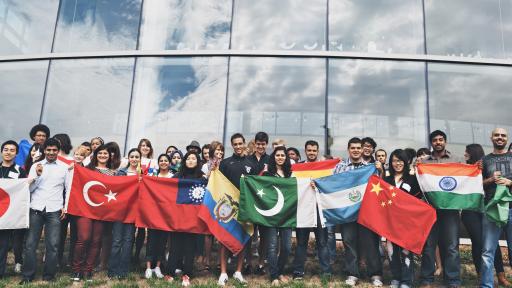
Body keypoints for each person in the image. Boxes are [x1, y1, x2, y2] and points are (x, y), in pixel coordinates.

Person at [332, 137, 383, 287]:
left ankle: (375, 274)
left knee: (371, 243)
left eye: (358, 148)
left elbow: (379, 188)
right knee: (349, 242)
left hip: (366, 212)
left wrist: (381, 171)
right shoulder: (340, 167)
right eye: (352, 148)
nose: (355, 150)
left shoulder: (371, 167)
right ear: (348, 149)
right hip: (347, 213)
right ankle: (352, 273)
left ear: (362, 150)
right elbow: (331, 184)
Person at [21, 138, 68, 284]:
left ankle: (49, 276)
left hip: (54, 210)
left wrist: (65, 206)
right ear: (44, 150)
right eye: (49, 150)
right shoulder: (36, 165)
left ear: (58, 151)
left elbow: (69, 188)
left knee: (53, 245)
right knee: (30, 244)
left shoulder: (64, 168)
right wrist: (37, 176)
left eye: (54, 150)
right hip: (36, 208)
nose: (51, 153)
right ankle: (28, 276)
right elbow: (29, 189)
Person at [460, 143, 509, 286]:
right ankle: (481, 275)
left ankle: (501, 275)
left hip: (487, 208)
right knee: (478, 242)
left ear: (473, 153)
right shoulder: (465, 170)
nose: (464, 155)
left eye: (466, 152)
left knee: (492, 243)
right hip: (470, 211)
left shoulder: (487, 165)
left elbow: (495, 180)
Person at [419, 130, 462, 288]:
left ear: (445, 141)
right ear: (431, 143)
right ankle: (426, 279)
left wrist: (476, 168)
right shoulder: (423, 162)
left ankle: (453, 280)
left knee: (451, 246)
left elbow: (465, 178)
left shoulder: (457, 160)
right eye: (435, 140)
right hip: (429, 209)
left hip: (450, 210)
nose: (438, 142)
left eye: (441, 139)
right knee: (429, 245)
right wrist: (415, 165)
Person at [217, 133, 257, 286]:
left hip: (245, 207)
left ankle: (238, 272)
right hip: (227, 207)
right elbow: (219, 184)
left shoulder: (251, 164)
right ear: (232, 145)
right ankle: (223, 272)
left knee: (243, 239)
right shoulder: (225, 163)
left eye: (240, 143)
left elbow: (254, 186)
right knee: (224, 239)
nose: (238, 146)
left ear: (244, 143)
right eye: (235, 144)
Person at [70, 144, 114, 282]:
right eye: (100, 153)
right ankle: (77, 269)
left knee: (96, 241)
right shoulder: (86, 169)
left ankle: (88, 270)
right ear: (95, 155)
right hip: (85, 209)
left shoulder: (114, 173)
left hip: (101, 211)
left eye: (105, 154)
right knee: (83, 238)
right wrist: (72, 169)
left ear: (109, 156)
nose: (102, 155)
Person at [292, 140, 332, 280]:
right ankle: (298, 272)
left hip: (319, 209)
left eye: (314, 150)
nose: (312, 153)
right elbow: (292, 186)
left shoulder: (324, 167)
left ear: (318, 151)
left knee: (322, 242)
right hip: (303, 209)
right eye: (309, 150)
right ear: (305, 151)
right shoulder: (297, 168)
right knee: (301, 242)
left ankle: (326, 272)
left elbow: (330, 184)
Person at [384, 149, 421, 288]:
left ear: (405, 162)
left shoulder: (413, 178)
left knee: (406, 252)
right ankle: (396, 278)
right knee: (391, 251)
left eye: (400, 160)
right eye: (394, 160)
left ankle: (406, 281)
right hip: (390, 223)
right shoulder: (386, 179)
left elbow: (418, 200)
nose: (397, 163)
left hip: (407, 223)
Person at [480, 128, 512, 288]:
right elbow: (477, 185)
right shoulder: (484, 160)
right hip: (491, 210)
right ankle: (486, 285)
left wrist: (510, 182)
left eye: (503, 135)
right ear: (491, 137)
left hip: (511, 209)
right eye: (497, 135)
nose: (500, 138)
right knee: (487, 252)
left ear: (507, 139)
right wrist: (490, 179)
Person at [168, 151, 206, 287]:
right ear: (184, 161)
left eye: (193, 158)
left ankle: (187, 274)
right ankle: (170, 272)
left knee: (190, 247)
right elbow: (166, 188)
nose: (190, 160)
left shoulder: (202, 177)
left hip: (193, 218)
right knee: (175, 246)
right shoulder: (178, 176)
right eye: (188, 158)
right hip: (178, 217)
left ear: (198, 161)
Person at [262, 146, 292, 286]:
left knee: (286, 247)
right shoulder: (267, 173)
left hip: (287, 215)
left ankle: (279, 271)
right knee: (272, 246)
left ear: (286, 158)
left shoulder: (291, 174)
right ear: (274, 157)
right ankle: (274, 276)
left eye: (283, 155)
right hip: (272, 215)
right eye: (278, 155)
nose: (280, 157)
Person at [108, 148, 140, 280]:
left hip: (133, 212)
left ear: (140, 159)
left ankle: (123, 270)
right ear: (128, 158)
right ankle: (112, 269)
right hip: (120, 212)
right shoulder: (121, 173)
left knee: (128, 241)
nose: (134, 159)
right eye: (132, 156)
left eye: (136, 157)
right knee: (116, 241)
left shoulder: (143, 174)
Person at [0, 141, 27, 279]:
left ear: (16, 153)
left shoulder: (20, 171)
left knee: (3, 245)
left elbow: (23, 190)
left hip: (7, 214)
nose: (8, 152)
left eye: (12, 150)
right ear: (1, 151)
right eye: (5, 149)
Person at [144, 153, 172, 280]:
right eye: (161, 160)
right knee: (151, 240)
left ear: (169, 163)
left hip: (166, 214)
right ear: (158, 163)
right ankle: (149, 267)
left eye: (166, 160)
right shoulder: (152, 176)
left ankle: (158, 267)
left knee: (163, 241)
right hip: (153, 214)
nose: (163, 162)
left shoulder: (173, 176)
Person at [246, 132, 271, 275]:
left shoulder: (271, 160)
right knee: (249, 235)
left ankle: (261, 264)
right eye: (258, 143)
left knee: (265, 236)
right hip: (250, 203)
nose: (261, 146)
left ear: (266, 144)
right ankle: (248, 263)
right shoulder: (247, 159)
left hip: (265, 204)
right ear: (254, 144)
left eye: (263, 144)